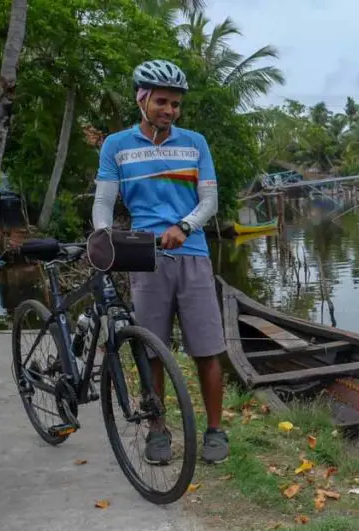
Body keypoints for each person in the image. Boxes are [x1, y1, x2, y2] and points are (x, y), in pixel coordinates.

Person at [91, 59, 229, 465]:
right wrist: (104, 235)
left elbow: (210, 201)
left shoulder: (195, 143)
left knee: (207, 349)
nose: (169, 110)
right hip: (143, 255)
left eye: (176, 104)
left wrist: (185, 226)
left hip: (192, 253)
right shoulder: (117, 145)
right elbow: (104, 201)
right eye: (162, 102)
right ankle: (157, 430)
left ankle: (216, 431)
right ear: (142, 99)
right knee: (150, 349)